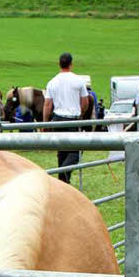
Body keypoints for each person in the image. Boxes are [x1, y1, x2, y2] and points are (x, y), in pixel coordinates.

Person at [43, 52, 88, 183]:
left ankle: (62, 181)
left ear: (59, 64)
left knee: (61, 152)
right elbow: (85, 102)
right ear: (71, 64)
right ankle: (63, 174)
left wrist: (45, 123)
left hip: (57, 119)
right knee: (75, 152)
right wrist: (81, 113)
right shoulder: (78, 81)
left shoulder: (52, 82)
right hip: (73, 119)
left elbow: (47, 104)